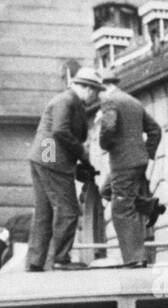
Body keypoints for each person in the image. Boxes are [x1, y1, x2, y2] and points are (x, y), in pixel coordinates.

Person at [27, 67, 102, 272]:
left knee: (44, 212)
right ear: (86, 88)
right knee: (68, 210)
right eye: (95, 91)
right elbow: (60, 131)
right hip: (50, 158)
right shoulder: (67, 101)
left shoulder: (66, 101)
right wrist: (82, 154)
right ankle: (61, 259)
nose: (96, 96)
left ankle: (35, 261)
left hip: (44, 156)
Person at [97, 70, 161, 268]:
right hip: (138, 161)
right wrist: (146, 153)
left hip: (123, 162)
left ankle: (135, 258)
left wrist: (106, 145)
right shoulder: (134, 102)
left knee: (121, 208)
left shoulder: (109, 101)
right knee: (106, 190)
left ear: (103, 88)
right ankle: (149, 207)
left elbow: (109, 127)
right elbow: (155, 130)